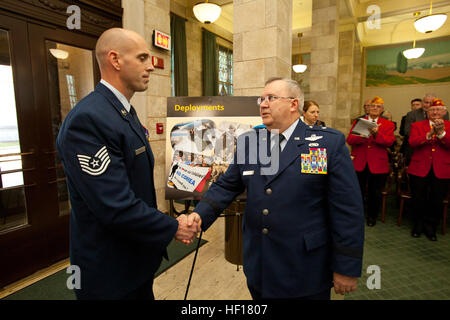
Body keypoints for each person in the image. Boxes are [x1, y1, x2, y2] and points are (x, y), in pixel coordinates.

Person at [187, 77, 365, 300]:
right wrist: (198, 215)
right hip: (259, 264)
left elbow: (347, 209)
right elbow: (226, 186)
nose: (262, 104)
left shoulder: (325, 144)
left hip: (304, 268)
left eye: (271, 98)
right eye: (261, 99)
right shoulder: (251, 142)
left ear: (293, 104)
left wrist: (346, 266)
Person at [56, 28, 199, 300]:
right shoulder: (88, 120)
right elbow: (114, 206)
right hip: (109, 273)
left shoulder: (122, 112)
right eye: (143, 57)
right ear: (115, 60)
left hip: (133, 264)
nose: (151, 66)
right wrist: (173, 226)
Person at [347, 96, 396, 227]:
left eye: (378, 107)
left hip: (378, 164)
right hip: (360, 162)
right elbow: (350, 140)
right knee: (358, 191)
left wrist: (376, 134)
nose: (375, 108)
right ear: (367, 108)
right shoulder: (359, 122)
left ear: (382, 110)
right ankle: (357, 215)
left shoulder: (388, 124)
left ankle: (372, 216)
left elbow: (389, 142)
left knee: (375, 192)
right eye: (372, 106)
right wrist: (363, 134)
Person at [407, 98, 450, 241]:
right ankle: (418, 225)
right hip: (419, 167)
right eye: (432, 110)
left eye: (438, 110)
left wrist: (442, 134)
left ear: (444, 112)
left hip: (441, 169)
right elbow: (412, 142)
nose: (435, 112)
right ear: (427, 112)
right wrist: (429, 134)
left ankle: (431, 227)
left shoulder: (449, 126)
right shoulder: (417, 125)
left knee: (436, 199)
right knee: (418, 198)